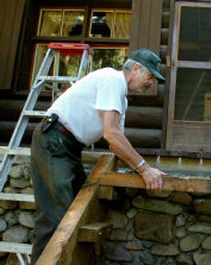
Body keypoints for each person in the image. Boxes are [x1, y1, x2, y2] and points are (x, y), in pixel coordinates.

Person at [30, 48, 167, 263]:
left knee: (75, 214)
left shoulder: (121, 99)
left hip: (69, 147)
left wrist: (142, 168)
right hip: (54, 140)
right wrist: (144, 168)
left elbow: (116, 143)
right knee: (56, 218)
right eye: (150, 76)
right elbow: (111, 135)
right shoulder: (112, 80)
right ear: (136, 69)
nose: (151, 84)